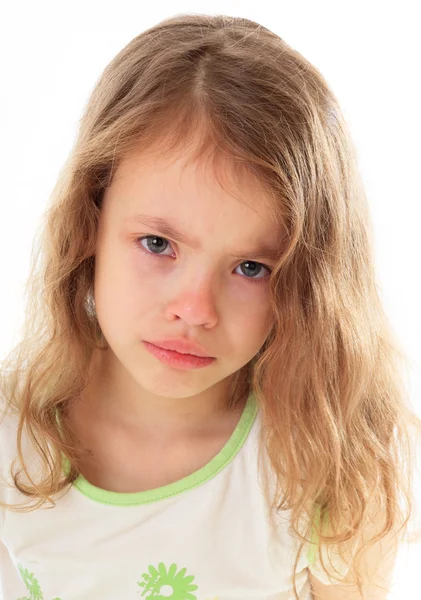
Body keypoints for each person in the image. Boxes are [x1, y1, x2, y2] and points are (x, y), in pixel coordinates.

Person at [1, 13, 420, 600]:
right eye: (158, 245)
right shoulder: (11, 435)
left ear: (306, 282)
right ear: (89, 223)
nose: (196, 309)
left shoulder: (321, 458)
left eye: (251, 268)